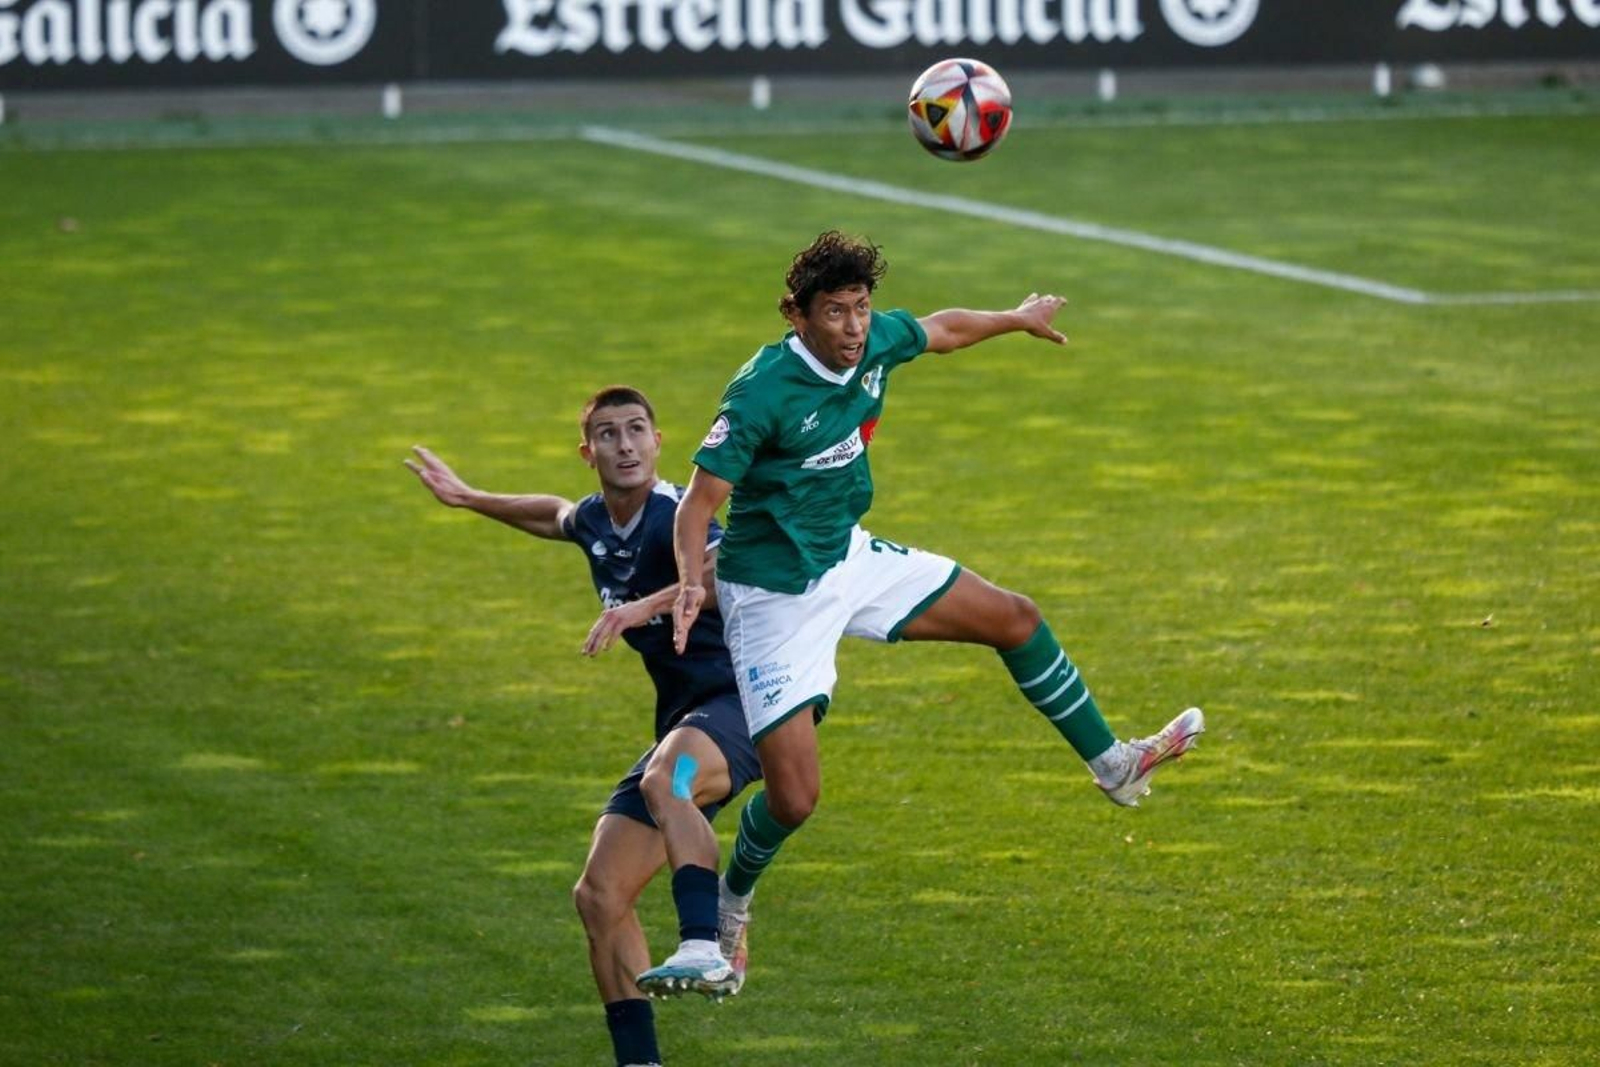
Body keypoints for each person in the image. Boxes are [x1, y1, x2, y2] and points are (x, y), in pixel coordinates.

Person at [663, 231, 1205, 988]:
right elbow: (697, 505)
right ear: (796, 314)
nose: (853, 328)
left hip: (848, 558)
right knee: (795, 797)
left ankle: (1113, 763)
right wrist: (693, 580)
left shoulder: (873, 341)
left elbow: (943, 329)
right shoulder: (761, 392)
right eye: (835, 312)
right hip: (773, 600)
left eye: (861, 309)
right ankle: (732, 900)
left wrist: (1016, 319)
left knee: (1014, 616)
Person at [404, 385, 760, 1067]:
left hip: (747, 704)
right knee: (598, 896)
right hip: (686, 720)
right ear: (587, 450)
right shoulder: (601, 520)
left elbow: (721, 570)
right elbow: (557, 515)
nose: (623, 445)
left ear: (659, 443)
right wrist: (470, 497)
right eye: (607, 434)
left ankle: (711, 939)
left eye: (636, 431)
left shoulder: (676, 516)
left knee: (670, 777)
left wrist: (638, 609)